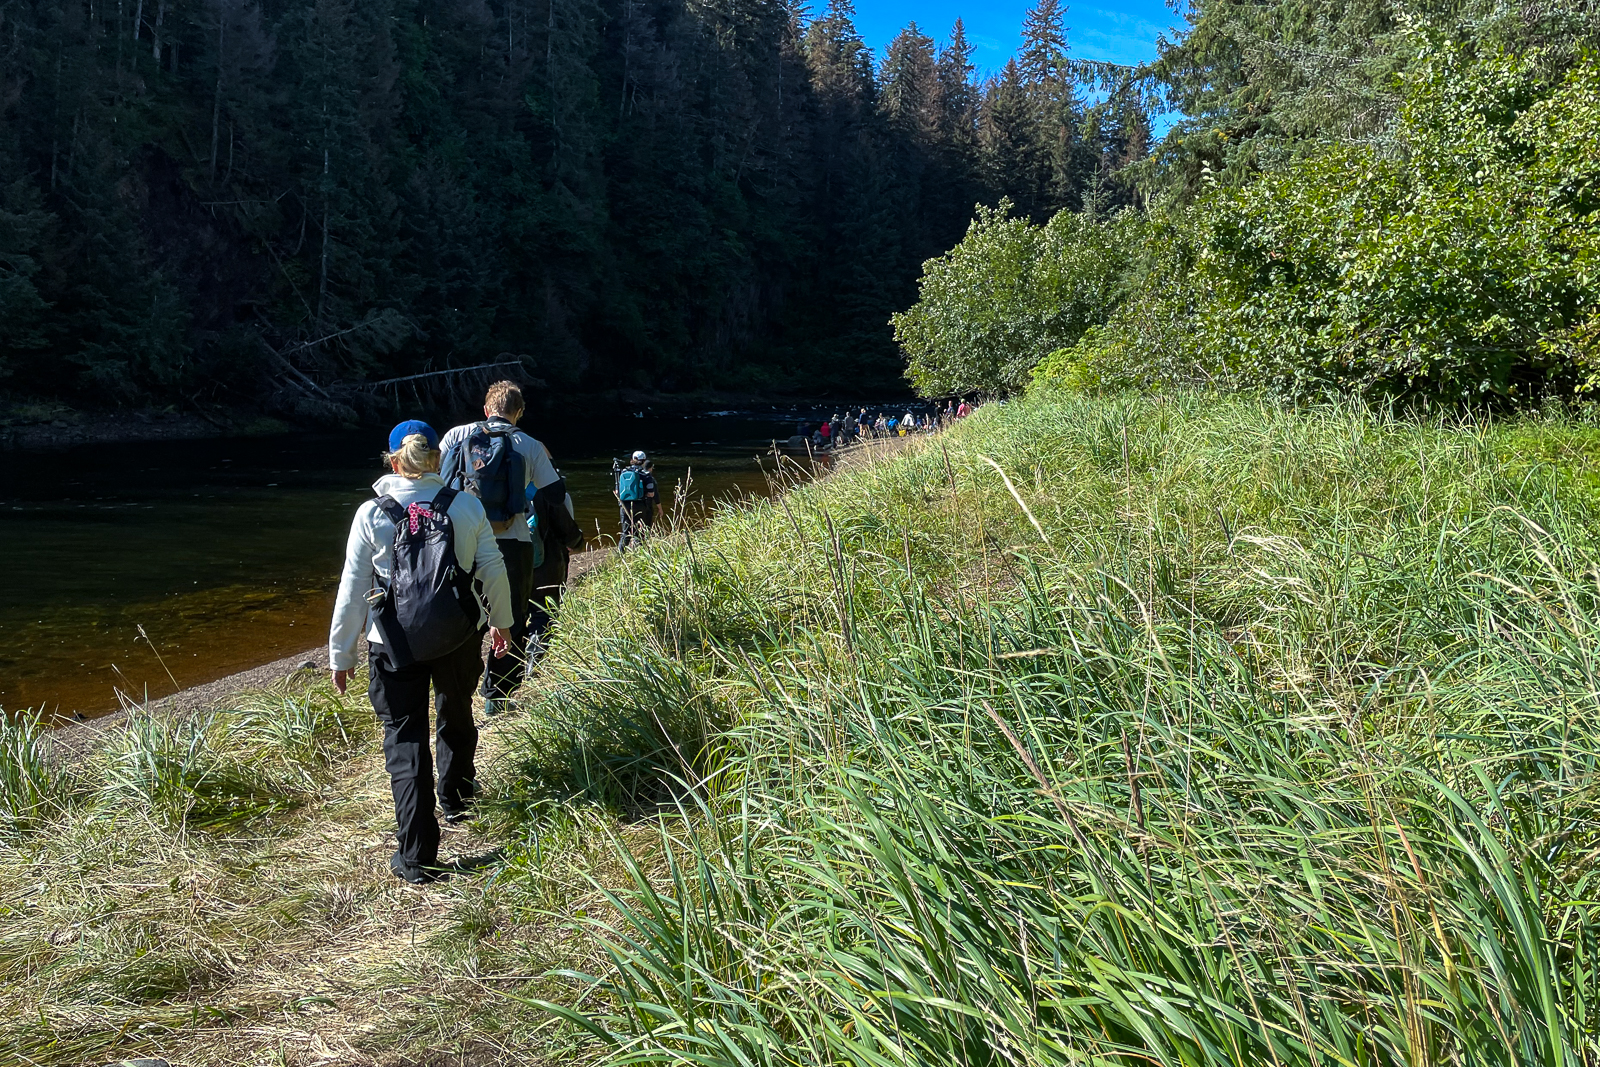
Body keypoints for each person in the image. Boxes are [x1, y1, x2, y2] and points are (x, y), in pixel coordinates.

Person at [329, 420, 513, 885]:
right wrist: (502, 621)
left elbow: (352, 589)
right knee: (457, 713)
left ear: (393, 461)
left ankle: (416, 857)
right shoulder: (465, 505)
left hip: (393, 645)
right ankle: (457, 800)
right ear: (436, 459)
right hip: (458, 635)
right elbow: (492, 566)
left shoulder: (371, 514)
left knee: (405, 738)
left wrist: (341, 655)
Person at [439, 381, 577, 717]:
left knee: (465, 615)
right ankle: (496, 697)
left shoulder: (456, 436)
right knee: (512, 619)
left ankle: (458, 692)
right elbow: (555, 494)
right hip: (512, 542)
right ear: (519, 413)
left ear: (486, 409)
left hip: (462, 540)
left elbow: (435, 482)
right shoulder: (527, 443)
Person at [616, 449, 659, 549]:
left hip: (625, 505)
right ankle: (639, 552)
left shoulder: (624, 471)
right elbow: (651, 493)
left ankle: (620, 554)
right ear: (644, 461)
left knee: (625, 533)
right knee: (640, 532)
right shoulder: (646, 474)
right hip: (640, 505)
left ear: (632, 459)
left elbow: (618, 491)